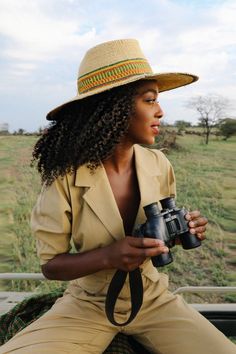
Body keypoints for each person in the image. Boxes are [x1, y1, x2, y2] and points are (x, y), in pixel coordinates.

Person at [1, 39, 235, 354]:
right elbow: (51, 266)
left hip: (155, 301)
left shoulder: (158, 164)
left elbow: (163, 231)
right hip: (87, 305)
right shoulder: (64, 177)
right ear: (115, 108)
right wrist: (109, 256)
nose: (161, 111)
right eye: (149, 100)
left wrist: (180, 232)